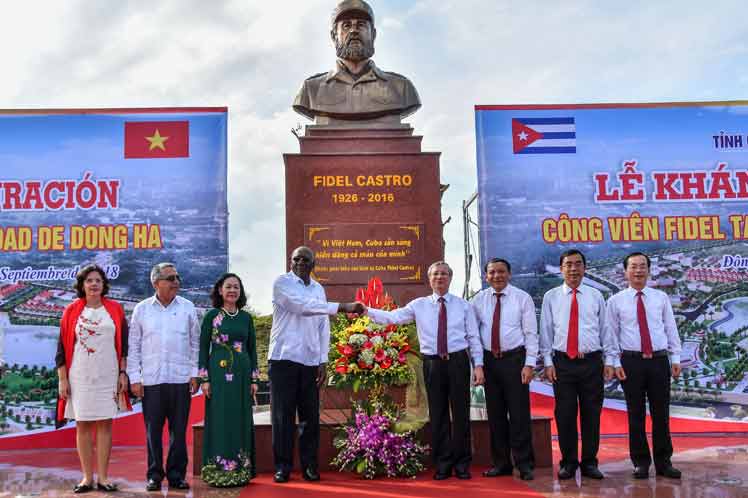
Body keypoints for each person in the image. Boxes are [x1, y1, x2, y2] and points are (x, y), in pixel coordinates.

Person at [365, 261, 484, 480]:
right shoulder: (418, 305)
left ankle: (462, 463)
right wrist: (366, 310)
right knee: (437, 414)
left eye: (444, 274)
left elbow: (474, 337)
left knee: (460, 414)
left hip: (458, 362)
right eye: (435, 274)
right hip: (432, 364)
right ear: (429, 279)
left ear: (450, 278)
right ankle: (443, 463)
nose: (440, 277)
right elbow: (393, 317)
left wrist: (478, 365)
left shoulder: (463, 305)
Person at [269, 246, 363, 483]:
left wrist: (323, 360)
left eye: (305, 259)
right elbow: (301, 307)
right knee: (283, 416)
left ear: (314, 264)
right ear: (290, 262)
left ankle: (310, 466)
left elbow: (323, 327)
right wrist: (342, 307)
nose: (300, 262)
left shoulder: (318, 289)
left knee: (310, 417)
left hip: (310, 361)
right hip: (283, 359)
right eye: (295, 259)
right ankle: (283, 467)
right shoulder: (282, 283)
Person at [539, 249, 616, 480]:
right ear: (561, 269)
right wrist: (547, 362)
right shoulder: (551, 296)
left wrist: (610, 360)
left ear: (585, 268)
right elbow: (546, 331)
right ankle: (568, 462)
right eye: (568, 265)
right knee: (565, 414)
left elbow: (606, 329)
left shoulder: (596, 296)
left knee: (592, 415)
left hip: (592, 363)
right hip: (562, 363)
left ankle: (590, 463)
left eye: (578, 264)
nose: (573, 269)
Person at [605, 252, 682, 479]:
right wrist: (615, 362)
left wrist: (675, 358)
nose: (638, 271)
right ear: (625, 271)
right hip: (630, 363)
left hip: (659, 361)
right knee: (635, 414)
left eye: (642, 266)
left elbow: (670, 328)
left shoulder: (660, 298)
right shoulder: (615, 301)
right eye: (633, 267)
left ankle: (664, 462)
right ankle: (640, 462)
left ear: (649, 270)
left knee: (661, 414)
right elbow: (611, 335)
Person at [55, 264, 131, 493]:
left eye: (98, 280)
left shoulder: (115, 309)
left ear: (103, 284)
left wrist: (122, 373)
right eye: (89, 280)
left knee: (105, 425)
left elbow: (124, 346)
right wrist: (62, 379)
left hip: (107, 375)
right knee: (83, 425)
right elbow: (61, 348)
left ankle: (104, 478)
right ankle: (87, 478)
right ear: (82, 285)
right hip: (80, 376)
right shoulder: (71, 311)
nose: (94, 284)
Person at [127, 263, 200, 492]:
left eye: (177, 277)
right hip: (151, 381)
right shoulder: (142, 309)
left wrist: (194, 373)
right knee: (153, 432)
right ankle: (154, 475)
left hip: (180, 380)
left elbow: (195, 343)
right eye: (170, 278)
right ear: (156, 283)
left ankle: (177, 475)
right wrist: (134, 377)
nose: (176, 281)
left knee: (179, 432)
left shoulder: (188, 307)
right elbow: (134, 346)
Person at [292, 0, 421, 123]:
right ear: (333, 36)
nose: (354, 30)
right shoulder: (311, 90)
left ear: (373, 35)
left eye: (361, 25)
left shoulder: (401, 88)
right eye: (346, 25)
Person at [470, 258, 537, 481]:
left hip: (515, 360)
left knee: (519, 415)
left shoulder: (522, 298)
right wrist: (478, 365)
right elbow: (474, 337)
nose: (496, 276)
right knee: (496, 415)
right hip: (490, 362)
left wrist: (529, 364)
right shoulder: (478, 300)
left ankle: (524, 464)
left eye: (501, 272)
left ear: (509, 274)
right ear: (486, 276)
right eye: (492, 272)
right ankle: (501, 463)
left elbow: (530, 334)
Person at [199, 273, 259, 481]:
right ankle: (217, 469)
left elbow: (252, 350)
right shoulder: (211, 316)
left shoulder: (246, 318)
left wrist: (254, 379)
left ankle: (241, 468)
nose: (232, 290)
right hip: (217, 376)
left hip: (242, 377)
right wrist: (204, 379)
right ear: (220, 290)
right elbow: (202, 349)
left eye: (236, 287)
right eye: (228, 286)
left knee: (240, 418)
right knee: (220, 418)